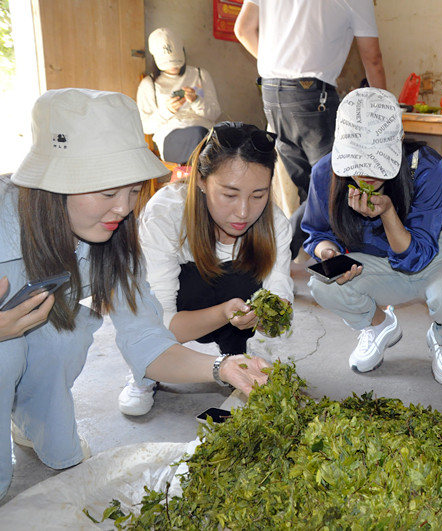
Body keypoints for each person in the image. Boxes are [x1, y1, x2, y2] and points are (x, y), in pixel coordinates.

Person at [0, 88, 270, 500]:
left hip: (34, 337)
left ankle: (29, 413)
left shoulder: (113, 239)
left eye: (132, 191)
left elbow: (147, 340)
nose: (124, 208)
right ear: (52, 185)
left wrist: (223, 368)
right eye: (108, 193)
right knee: (7, 353)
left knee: (63, 334)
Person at [302, 88, 442, 386]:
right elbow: (317, 232)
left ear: (399, 140)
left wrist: (388, 213)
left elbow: (417, 256)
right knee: (323, 283)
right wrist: (328, 253)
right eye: (357, 159)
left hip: (433, 254)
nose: (366, 172)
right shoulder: (325, 171)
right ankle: (379, 326)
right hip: (371, 259)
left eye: (376, 159)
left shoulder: (426, 167)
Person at [117, 122, 293, 416]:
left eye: (258, 195)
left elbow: (280, 307)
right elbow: (161, 322)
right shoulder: (165, 214)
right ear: (201, 180)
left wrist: (266, 316)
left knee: (244, 280)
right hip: (179, 307)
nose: (243, 212)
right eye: (229, 194)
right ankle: (145, 371)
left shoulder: (275, 223)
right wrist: (224, 312)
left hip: (229, 305)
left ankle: (236, 358)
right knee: (152, 317)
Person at [234, 0, 387, 259]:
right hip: (312, 98)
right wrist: (384, 112)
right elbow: (373, 58)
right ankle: (270, 254)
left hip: (272, 93)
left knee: (309, 187)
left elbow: (243, 29)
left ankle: (316, 254)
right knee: (332, 187)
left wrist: (281, 68)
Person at [136, 27, 221, 165]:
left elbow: (215, 113)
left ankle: (198, 173)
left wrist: (196, 101)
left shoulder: (200, 75)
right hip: (172, 136)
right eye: (167, 62)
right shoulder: (149, 84)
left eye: (176, 60)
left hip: (204, 132)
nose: (173, 66)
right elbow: (145, 127)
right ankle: (200, 173)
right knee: (201, 140)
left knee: (223, 136)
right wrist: (167, 111)